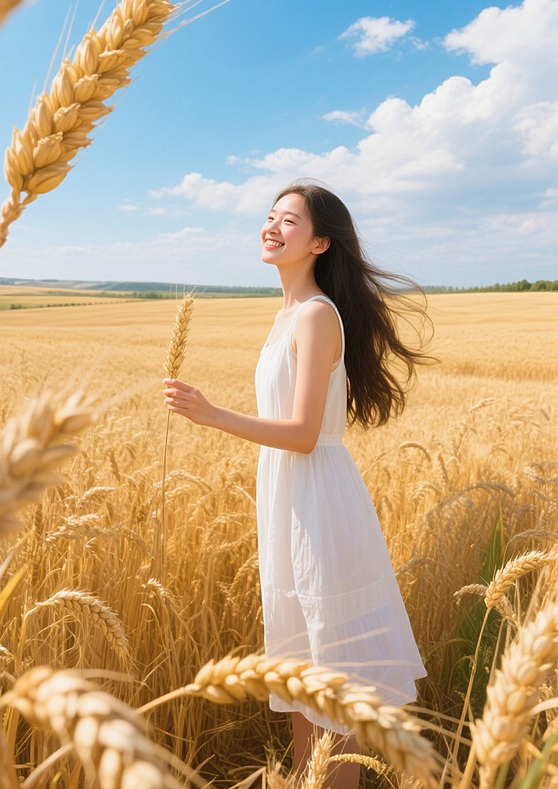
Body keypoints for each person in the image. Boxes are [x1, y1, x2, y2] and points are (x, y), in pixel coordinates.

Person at [163, 180, 430, 787]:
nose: (272, 226)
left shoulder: (314, 315)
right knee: (301, 670)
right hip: (288, 502)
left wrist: (211, 414)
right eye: (270, 216)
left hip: (318, 500)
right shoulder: (287, 313)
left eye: (289, 220)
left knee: (332, 683)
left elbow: (305, 433)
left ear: (319, 242)